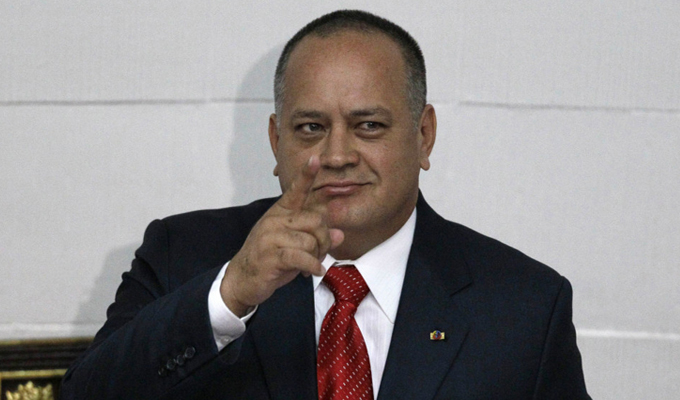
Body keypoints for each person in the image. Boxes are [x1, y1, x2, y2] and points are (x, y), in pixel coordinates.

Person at [61, 10, 591, 400]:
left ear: (424, 136)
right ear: (276, 142)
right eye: (311, 128)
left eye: (369, 126)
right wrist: (229, 297)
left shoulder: (524, 308)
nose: (336, 155)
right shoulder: (184, 257)